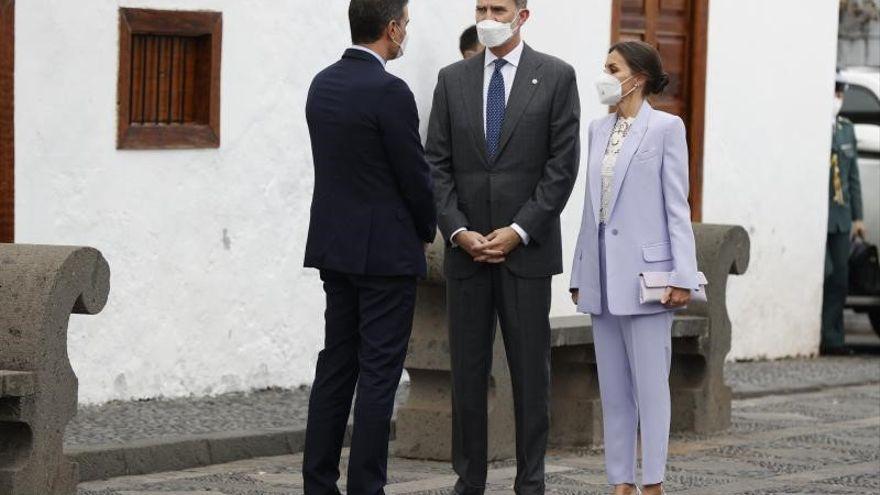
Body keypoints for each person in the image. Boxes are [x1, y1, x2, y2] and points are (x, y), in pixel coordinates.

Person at [426, 0, 580, 493]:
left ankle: (529, 481)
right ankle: (468, 480)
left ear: (523, 15)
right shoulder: (453, 80)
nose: (488, 15)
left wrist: (519, 230)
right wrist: (456, 230)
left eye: (499, 7)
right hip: (467, 252)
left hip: (526, 255)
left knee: (530, 375)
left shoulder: (555, 76)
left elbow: (562, 167)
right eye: (482, 6)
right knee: (467, 376)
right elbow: (436, 164)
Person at [301, 0, 437, 493]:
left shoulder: (324, 82)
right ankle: (365, 487)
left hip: (335, 248)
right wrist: (427, 229)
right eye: (406, 26)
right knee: (379, 376)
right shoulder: (389, 90)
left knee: (335, 367)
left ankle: (317, 483)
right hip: (385, 253)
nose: (406, 35)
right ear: (392, 28)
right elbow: (414, 175)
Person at [569, 41, 699, 495]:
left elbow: (676, 206)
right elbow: (591, 210)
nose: (603, 74)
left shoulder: (666, 128)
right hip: (602, 280)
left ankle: (652, 481)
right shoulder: (596, 129)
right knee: (614, 389)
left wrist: (683, 275)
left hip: (649, 282)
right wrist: (579, 273)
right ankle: (620, 481)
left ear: (637, 77)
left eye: (612, 67)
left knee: (651, 388)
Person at [821, 75, 866, 355]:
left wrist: (858, 217)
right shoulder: (815, 128)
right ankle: (819, 332)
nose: (838, 98)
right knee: (823, 274)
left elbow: (853, 178)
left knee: (839, 276)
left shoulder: (846, 130)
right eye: (834, 92)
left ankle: (833, 337)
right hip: (819, 214)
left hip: (840, 215)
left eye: (841, 93)